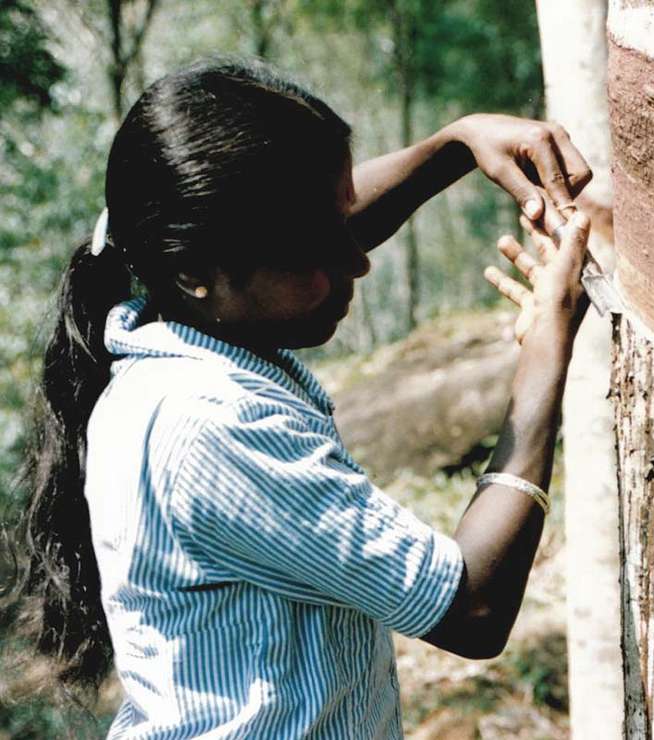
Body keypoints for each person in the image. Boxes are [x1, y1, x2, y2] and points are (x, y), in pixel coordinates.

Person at [10, 59, 593, 737]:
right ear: (196, 270)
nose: (358, 261)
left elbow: (302, 226)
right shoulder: (214, 427)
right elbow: (472, 608)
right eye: (318, 244)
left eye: (344, 220)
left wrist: (454, 146)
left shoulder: (170, 309)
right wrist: (544, 357)